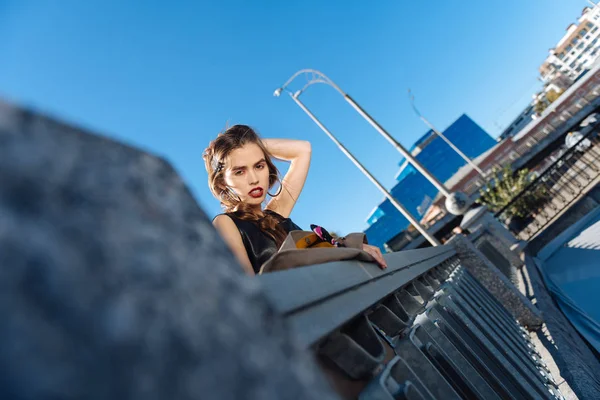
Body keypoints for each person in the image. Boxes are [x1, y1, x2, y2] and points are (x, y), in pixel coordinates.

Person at [203, 125, 387, 275]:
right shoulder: (225, 223)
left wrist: (252, 144)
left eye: (259, 165)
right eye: (239, 171)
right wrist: (223, 154)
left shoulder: (275, 215)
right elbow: (249, 289)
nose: (253, 178)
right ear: (222, 183)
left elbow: (303, 149)